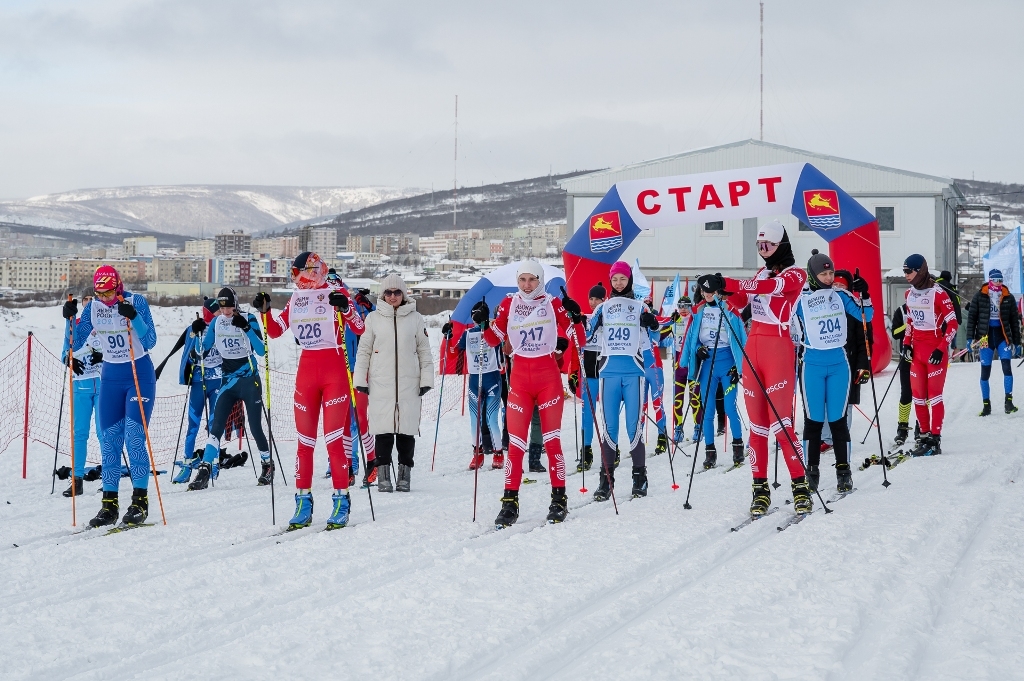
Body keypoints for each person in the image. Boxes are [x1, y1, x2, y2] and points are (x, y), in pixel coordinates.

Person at [700, 220, 810, 516]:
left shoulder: (794, 274)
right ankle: (759, 489)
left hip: (778, 349)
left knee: (782, 425)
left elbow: (770, 288)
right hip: (753, 350)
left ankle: (800, 486)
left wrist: (730, 282)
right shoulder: (761, 272)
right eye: (759, 246)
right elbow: (741, 302)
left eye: (768, 246)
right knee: (758, 427)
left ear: (782, 245)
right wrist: (721, 291)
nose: (763, 251)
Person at [261, 252, 365, 530]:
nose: (296, 279)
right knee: (304, 443)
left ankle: (342, 500)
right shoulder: (296, 298)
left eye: (299, 273)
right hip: (306, 371)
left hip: (334, 371)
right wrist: (264, 310)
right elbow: (273, 331)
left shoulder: (336, 290)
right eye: (294, 275)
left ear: (313, 271)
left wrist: (346, 307)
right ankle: (303, 502)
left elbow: (359, 326)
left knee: (334, 440)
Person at [478, 260, 584, 528]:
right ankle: (509, 503)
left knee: (552, 442)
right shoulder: (509, 303)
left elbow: (578, 337)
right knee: (516, 446)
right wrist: (482, 323)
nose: (527, 285)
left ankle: (559, 499)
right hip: (520, 381)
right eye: (523, 279)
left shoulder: (552, 302)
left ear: (540, 280)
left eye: (533, 280)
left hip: (547, 379)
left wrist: (576, 315)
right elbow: (493, 340)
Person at [67, 265, 158, 528]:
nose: (104, 299)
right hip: (110, 378)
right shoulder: (93, 307)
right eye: (99, 293)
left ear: (117, 287)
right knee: (109, 441)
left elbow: (150, 340)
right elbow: (79, 339)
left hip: (138, 374)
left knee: (134, 436)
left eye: (108, 293)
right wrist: (71, 319)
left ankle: (140, 500)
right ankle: (109, 504)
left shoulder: (135, 301)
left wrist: (135, 317)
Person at [793, 252, 873, 493]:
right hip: (812, 366)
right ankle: (812, 471)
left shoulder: (840, 295)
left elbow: (865, 316)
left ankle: (843, 472)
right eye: (823, 274)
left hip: (839, 365)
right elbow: (783, 321)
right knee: (814, 421)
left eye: (831, 273)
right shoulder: (801, 299)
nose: (829, 278)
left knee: (838, 421)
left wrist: (865, 294)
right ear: (813, 275)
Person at [354, 273, 434, 493]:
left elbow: (424, 352)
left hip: (409, 383)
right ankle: (383, 475)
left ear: (403, 294)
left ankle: (404, 475)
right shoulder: (373, 319)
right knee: (383, 431)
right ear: (383, 295)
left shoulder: (416, 318)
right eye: (388, 292)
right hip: (381, 383)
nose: (392, 296)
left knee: (407, 431)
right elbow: (364, 352)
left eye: (397, 292)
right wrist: (360, 378)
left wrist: (426, 379)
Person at [587, 261, 659, 502]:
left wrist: (653, 323)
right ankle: (606, 481)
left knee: (634, 427)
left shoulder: (639, 306)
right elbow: (585, 334)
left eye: (623, 278)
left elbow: (656, 333)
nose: (619, 283)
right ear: (610, 281)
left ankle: (640, 478)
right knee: (609, 429)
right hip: (608, 374)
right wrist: (579, 318)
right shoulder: (602, 308)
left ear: (629, 279)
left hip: (633, 374)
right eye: (615, 279)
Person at [186, 288, 271, 491]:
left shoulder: (248, 318)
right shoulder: (216, 322)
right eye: (222, 308)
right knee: (216, 426)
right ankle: (205, 469)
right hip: (228, 381)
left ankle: (267, 465)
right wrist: (196, 333)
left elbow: (261, 350)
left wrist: (246, 329)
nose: (225, 311)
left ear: (236, 304)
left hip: (249, 379)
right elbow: (202, 352)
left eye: (229, 307)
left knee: (255, 426)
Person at [679, 278, 746, 469]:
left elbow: (742, 339)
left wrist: (740, 367)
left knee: (730, 408)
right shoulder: (698, 311)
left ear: (719, 291)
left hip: (728, 364)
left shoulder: (730, 310)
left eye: (712, 291)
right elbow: (691, 338)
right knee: (707, 411)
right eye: (704, 291)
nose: (708, 294)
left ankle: (738, 447)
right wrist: (698, 349)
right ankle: (710, 452)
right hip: (707, 364)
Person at [901, 254, 958, 457]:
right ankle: (924, 436)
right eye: (904, 271)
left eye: (909, 271)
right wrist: (907, 344)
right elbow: (910, 322)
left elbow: (953, 324)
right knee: (918, 397)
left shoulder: (939, 293)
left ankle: (935, 439)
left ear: (920, 270)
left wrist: (941, 348)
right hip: (917, 352)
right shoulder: (909, 293)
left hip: (935, 351)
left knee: (934, 397)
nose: (906, 275)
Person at [448, 304, 505, 470]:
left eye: (479, 316)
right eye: (474, 317)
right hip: (474, 380)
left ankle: (498, 453)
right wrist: (448, 337)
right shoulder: (468, 333)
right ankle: (477, 453)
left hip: (492, 379)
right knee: (475, 420)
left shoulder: (493, 332)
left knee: (491, 419)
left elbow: (503, 352)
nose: (476, 320)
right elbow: (453, 354)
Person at [171, 305, 223, 484]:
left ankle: (213, 464)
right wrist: (194, 331)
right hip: (198, 381)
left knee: (214, 425)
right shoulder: (196, 328)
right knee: (192, 424)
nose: (220, 313)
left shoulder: (223, 325)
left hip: (217, 380)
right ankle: (186, 465)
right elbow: (188, 353)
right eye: (216, 311)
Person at [59, 295, 105, 498]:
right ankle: (77, 480)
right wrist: (70, 360)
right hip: (81, 386)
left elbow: (116, 352)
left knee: (104, 433)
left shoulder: (104, 324)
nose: (88, 302)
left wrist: (103, 356)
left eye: (91, 299)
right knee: (80, 434)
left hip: (103, 385)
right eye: (85, 299)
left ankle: (109, 478)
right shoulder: (74, 325)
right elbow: (63, 354)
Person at [966, 268, 1021, 415]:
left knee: (1007, 368)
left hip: (1003, 336)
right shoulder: (980, 295)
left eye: (1000, 280)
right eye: (995, 280)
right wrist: (969, 338)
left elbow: (1014, 321)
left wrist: (1017, 342)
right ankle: (986, 405)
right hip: (985, 337)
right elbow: (972, 318)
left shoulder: (1007, 296)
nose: (998, 283)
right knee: (985, 372)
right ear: (990, 280)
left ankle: (1008, 402)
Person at [570, 283, 606, 472]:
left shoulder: (609, 318)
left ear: (604, 300)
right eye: (591, 299)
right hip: (588, 371)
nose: (593, 303)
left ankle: (611, 450)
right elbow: (576, 349)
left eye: (597, 299)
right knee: (587, 414)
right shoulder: (583, 319)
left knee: (607, 413)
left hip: (606, 369)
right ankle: (586, 452)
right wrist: (573, 373)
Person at [641, 293, 669, 455]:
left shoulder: (654, 321)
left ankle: (661, 437)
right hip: (640, 368)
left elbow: (658, 330)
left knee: (657, 403)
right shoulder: (637, 323)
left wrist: (653, 322)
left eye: (649, 304)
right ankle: (638, 438)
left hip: (654, 368)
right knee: (640, 406)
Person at [665, 295, 695, 444]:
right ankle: (678, 428)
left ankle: (698, 426)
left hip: (693, 365)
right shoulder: (674, 322)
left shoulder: (695, 320)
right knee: (678, 399)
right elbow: (659, 335)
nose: (683, 309)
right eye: (680, 306)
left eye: (686, 306)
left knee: (695, 399)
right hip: (679, 367)